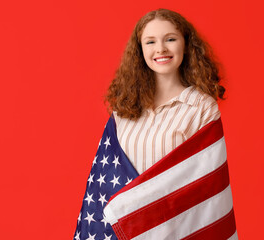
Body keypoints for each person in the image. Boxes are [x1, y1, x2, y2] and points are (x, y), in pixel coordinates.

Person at [74, 8, 237, 240]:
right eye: (150, 42)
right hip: (124, 231)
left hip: (175, 229)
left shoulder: (201, 107)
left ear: (185, 44)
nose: (160, 49)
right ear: (140, 50)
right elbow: (105, 177)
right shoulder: (124, 106)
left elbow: (206, 184)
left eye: (170, 39)